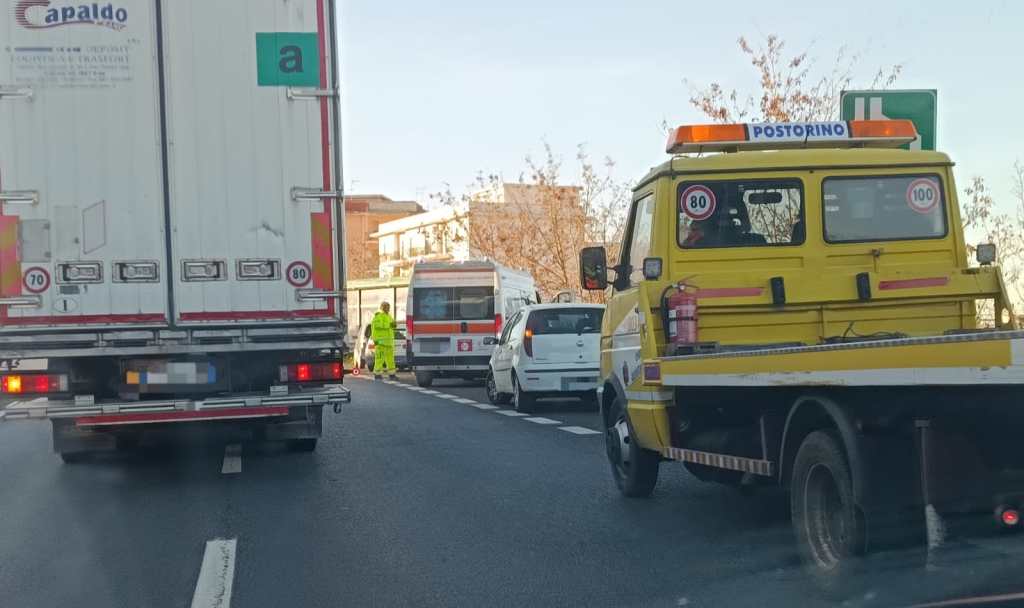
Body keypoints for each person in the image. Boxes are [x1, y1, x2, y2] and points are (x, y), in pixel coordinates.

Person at [370, 301, 398, 380]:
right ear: (382, 307)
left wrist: (394, 325)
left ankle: (392, 374)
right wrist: (389, 325)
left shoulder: (389, 316)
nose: (388, 308)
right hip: (380, 342)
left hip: (388, 342)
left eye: (388, 307)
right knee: (380, 358)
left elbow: (392, 326)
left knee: (390, 359)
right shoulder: (378, 316)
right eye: (386, 307)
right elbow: (378, 326)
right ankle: (377, 374)